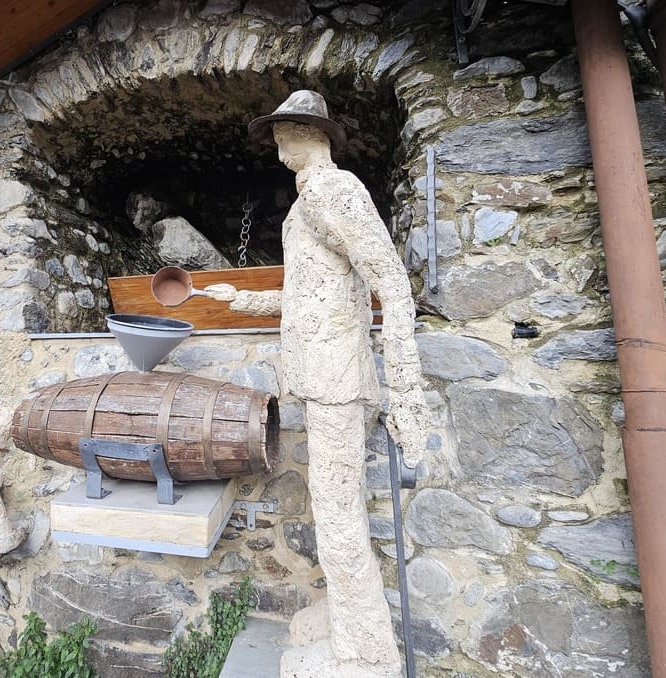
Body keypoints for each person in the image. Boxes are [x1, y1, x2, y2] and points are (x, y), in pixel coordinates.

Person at [205, 90, 430, 677]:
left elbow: (391, 285)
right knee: (332, 514)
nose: (277, 147)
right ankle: (347, 626)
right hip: (320, 376)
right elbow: (310, 296)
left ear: (311, 133)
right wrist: (242, 298)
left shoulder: (335, 191)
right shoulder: (309, 202)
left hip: (337, 379)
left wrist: (405, 388)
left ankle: (364, 655)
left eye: (283, 134)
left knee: (338, 522)